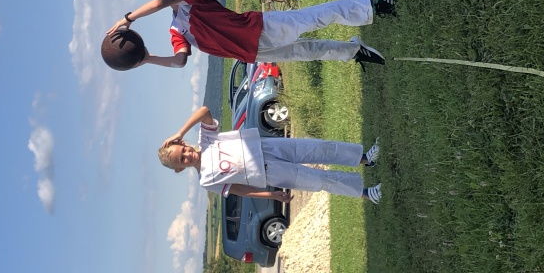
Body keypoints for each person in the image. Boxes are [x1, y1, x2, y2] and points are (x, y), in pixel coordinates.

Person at [106, 0, 397, 70]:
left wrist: (129, 18)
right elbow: (180, 61)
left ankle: (372, 5)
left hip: (258, 28)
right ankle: (354, 51)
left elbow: (160, 4)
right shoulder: (175, 29)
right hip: (252, 53)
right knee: (309, 51)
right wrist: (147, 59)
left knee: (314, 18)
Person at [157, 105, 383, 204]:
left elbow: (205, 111)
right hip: (270, 173)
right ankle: (365, 193)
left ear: (183, 143)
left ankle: (364, 158)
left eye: (183, 150)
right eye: (182, 160)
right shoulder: (206, 180)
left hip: (266, 147)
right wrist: (271, 195)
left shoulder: (206, 140)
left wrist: (179, 132)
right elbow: (239, 190)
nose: (187, 155)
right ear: (180, 168)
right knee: (318, 180)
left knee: (318, 148)